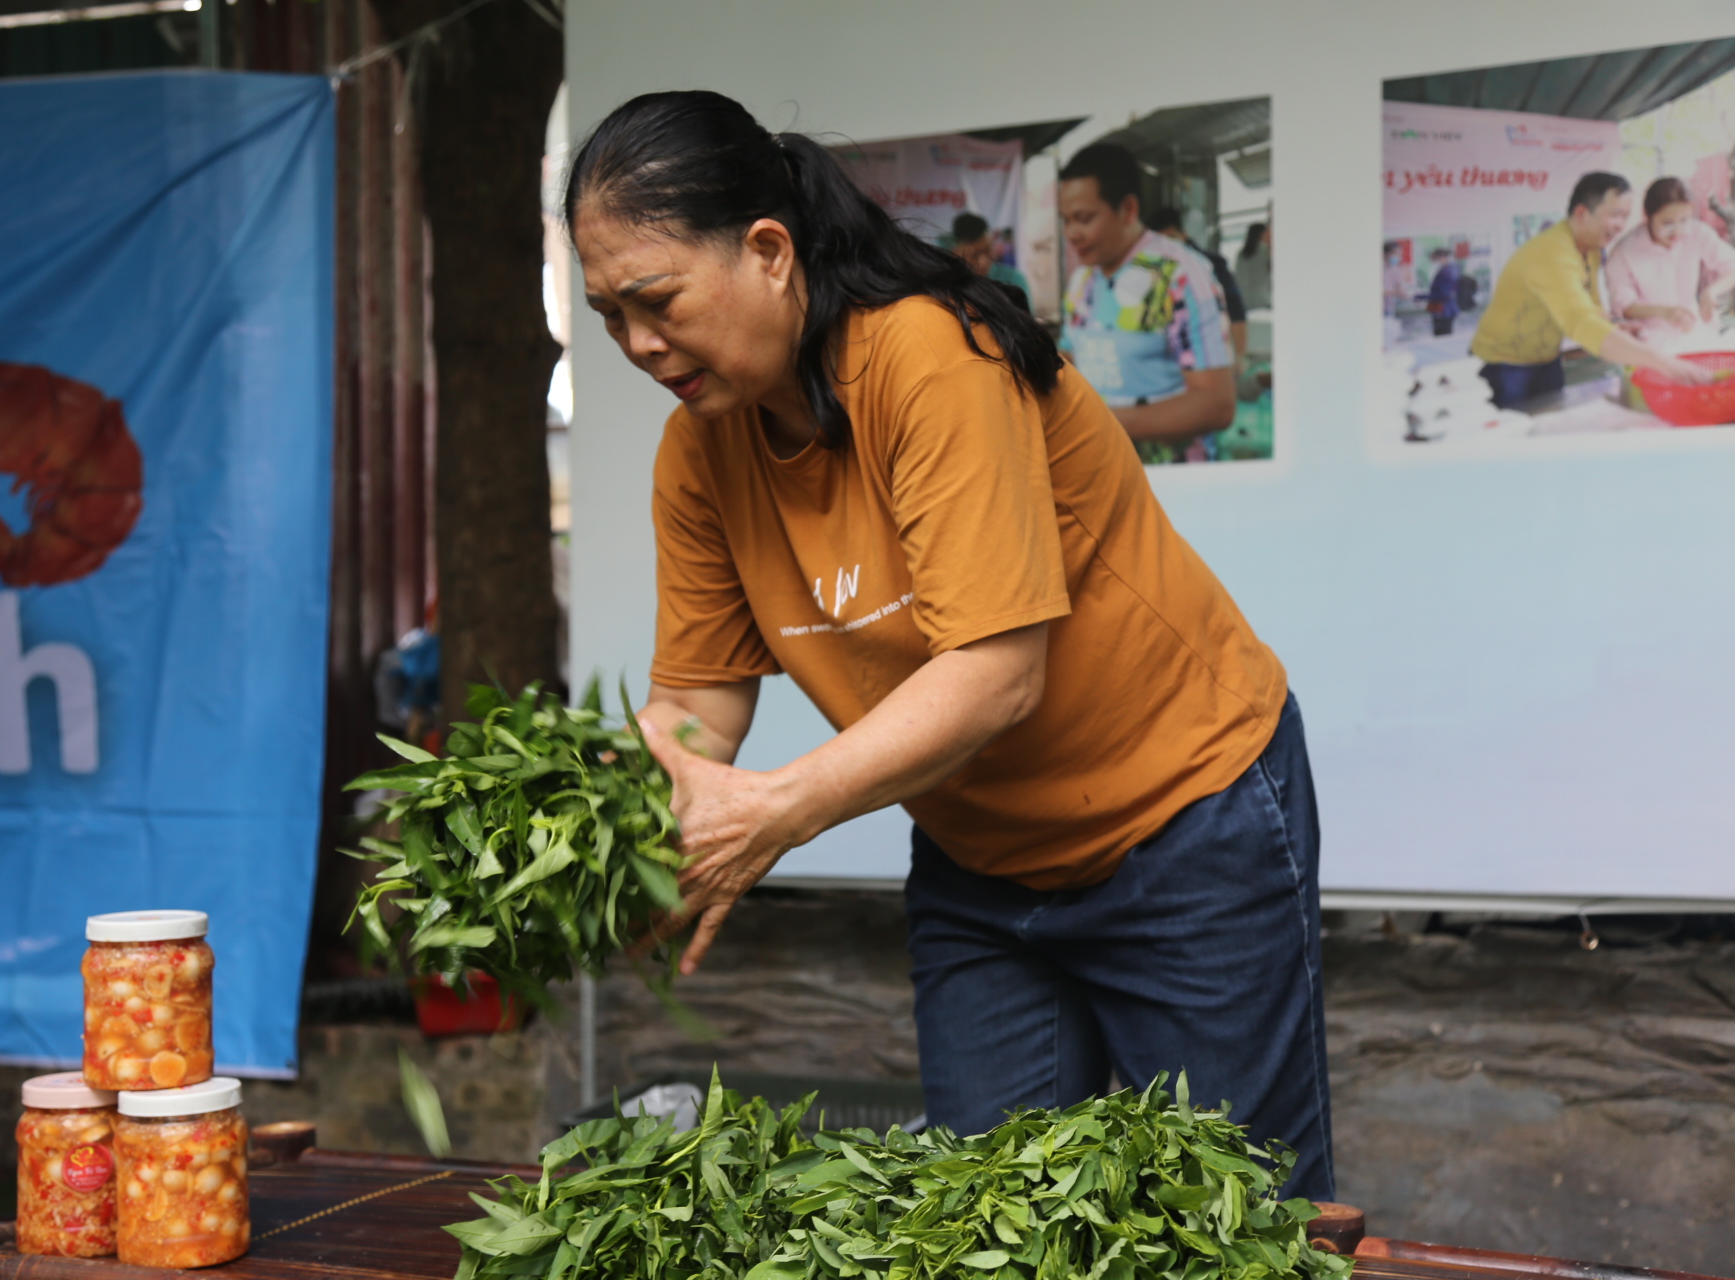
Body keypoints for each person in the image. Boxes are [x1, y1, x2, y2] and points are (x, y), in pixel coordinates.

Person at [568, 89, 1333, 1200]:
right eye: (607, 316)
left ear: (769, 252)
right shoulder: (699, 455)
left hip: (1184, 820)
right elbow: (697, 697)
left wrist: (773, 812)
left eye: (656, 300)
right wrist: (609, 817)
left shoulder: (925, 356)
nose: (638, 344)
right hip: (982, 862)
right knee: (989, 1217)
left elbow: (995, 674)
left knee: (1238, 1219)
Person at [1056, 144, 1236, 464]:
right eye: (1066, 220)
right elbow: (1073, 357)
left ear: (1128, 209)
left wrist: (1098, 424)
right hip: (1105, 473)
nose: (1072, 233)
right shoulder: (1082, 280)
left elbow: (1216, 404)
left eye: (1083, 219)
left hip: (1171, 479)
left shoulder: (1179, 276)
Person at [1471, 172, 1713, 408]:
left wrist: (1615, 328)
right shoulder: (1552, 253)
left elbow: (1591, 308)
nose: (1620, 226)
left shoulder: (1592, 249)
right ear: (1581, 213)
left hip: (1547, 360)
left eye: (1625, 216)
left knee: (1547, 426)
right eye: (1615, 215)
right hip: (1504, 365)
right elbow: (1581, 322)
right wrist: (1666, 364)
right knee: (1514, 438)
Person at [1604, 177, 1735, 346]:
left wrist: (1711, 292)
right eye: (1667, 223)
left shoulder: (1697, 232)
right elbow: (1625, 306)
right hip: (1649, 340)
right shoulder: (1625, 251)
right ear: (1647, 216)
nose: (1678, 231)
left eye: (1684, 220)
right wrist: (1664, 312)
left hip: (1694, 330)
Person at [1144, 205, 1247, 362]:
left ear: (1183, 235)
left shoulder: (1211, 264)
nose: (1167, 247)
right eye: (1159, 241)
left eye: (1171, 238)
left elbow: (1236, 311)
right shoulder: (1149, 272)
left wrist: (1240, 358)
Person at [949, 211, 1032, 310]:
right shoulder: (950, 284)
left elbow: (1025, 321)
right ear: (955, 253)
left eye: (987, 251)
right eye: (974, 255)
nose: (983, 261)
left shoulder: (1014, 280)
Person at [1425, 247, 1461, 337]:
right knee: (1445, 335)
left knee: (1442, 337)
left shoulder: (1447, 271)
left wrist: (1420, 297)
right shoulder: (1450, 269)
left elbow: (1443, 294)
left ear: (1441, 257)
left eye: (1434, 259)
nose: (1433, 263)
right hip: (1445, 308)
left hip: (1444, 309)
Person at [1235, 221, 1271, 311]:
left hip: (1244, 301)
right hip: (1263, 300)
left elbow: (1239, 278)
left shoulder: (1241, 254)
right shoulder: (1266, 252)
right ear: (1261, 234)